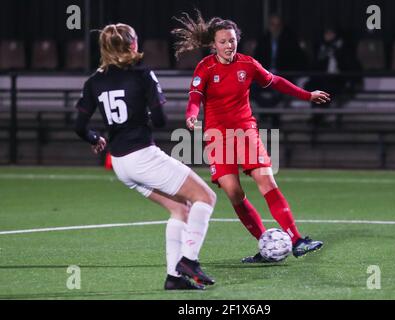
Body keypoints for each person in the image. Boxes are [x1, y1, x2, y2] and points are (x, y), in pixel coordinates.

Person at [171, 11, 330, 263]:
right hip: (217, 136)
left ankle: (297, 239)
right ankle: (266, 244)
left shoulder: (247, 64)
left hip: (246, 131)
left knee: (266, 181)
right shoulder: (205, 67)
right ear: (214, 44)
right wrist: (191, 115)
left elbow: (275, 82)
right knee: (233, 192)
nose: (228, 45)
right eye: (223, 41)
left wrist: (307, 95)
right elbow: (195, 97)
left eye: (232, 40)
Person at [74, 23, 217, 290]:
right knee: (206, 197)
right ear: (132, 45)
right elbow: (161, 120)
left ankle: (174, 278)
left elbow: (79, 126)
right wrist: (143, 113)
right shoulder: (141, 74)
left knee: (179, 209)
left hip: (119, 162)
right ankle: (190, 260)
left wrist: (96, 138)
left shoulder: (94, 81)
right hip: (142, 156)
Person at [252, 14, 310, 128]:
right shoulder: (263, 40)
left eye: (278, 25)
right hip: (266, 74)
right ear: (269, 26)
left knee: (279, 90)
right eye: (273, 25)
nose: (275, 28)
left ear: (282, 26)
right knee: (252, 88)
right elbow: (257, 60)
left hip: (283, 75)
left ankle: (269, 115)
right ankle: (270, 113)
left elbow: (297, 61)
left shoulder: (290, 40)